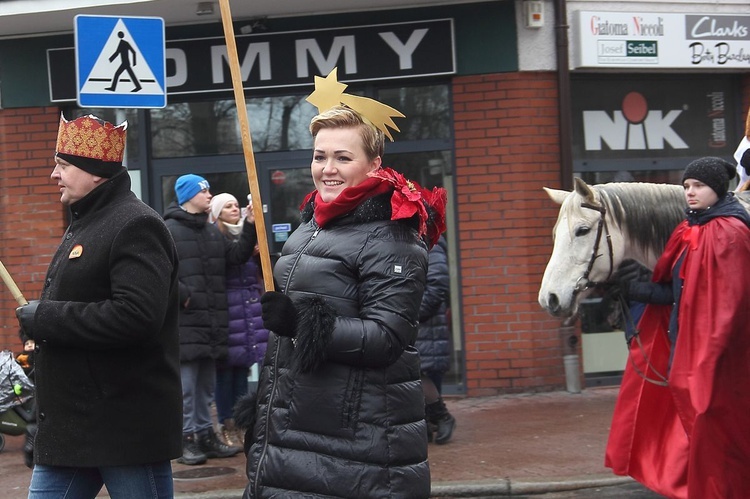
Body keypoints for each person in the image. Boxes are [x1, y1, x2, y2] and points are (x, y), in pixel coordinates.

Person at [233, 69, 446, 498]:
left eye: (343, 158)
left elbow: (387, 337)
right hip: (298, 425)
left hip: (354, 445)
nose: (327, 169)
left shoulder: (393, 234)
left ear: (374, 164)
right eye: (319, 156)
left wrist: (300, 322)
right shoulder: (311, 224)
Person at [14, 114, 183, 498]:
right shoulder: (86, 223)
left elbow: (137, 316)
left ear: (95, 172)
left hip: (124, 428)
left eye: (62, 165)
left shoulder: (136, 224)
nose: (53, 175)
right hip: (73, 430)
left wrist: (46, 316)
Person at [605, 156, 750, 499]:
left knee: (716, 433)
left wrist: (703, 362)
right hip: (692, 353)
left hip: (720, 362)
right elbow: (677, 292)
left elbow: (729, 309)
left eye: (698, 186)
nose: (690, 192)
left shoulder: (730, 233)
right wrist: (630, 289)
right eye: (686, 186)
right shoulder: (691, 230)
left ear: (717, 188)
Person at [164, 175, 256, 465]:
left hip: (213, 322)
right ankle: (186, 438)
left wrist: (251, 224)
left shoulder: (211, 231)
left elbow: (238, 255)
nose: (209, 194)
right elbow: (159, 271)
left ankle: (205, 434)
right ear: (188, 195)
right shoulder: (168, 231)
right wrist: (182, 295)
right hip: (187, 324)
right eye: (203, 190)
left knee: (205, 386)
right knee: (187, 387)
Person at [209, 193, 269, 446]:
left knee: (242, 370)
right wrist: (250, 227)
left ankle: (243, 422)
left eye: (236, 205)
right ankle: (226, 422)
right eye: (228, 206)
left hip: (247, 309)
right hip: (228, 309)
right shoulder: (215, 236)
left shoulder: (246, 234)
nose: (234, 209)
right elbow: (235, 257)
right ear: (218, 212)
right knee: (225, 373)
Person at [416, 234, 456, 444]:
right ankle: (430, 422)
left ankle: (442, 418)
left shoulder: (430, 243)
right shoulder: (415, 241)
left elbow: (437, 284)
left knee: (419, 373)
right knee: (416, 374)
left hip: (425, 324)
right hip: (419, 323)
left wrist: (412, 313)